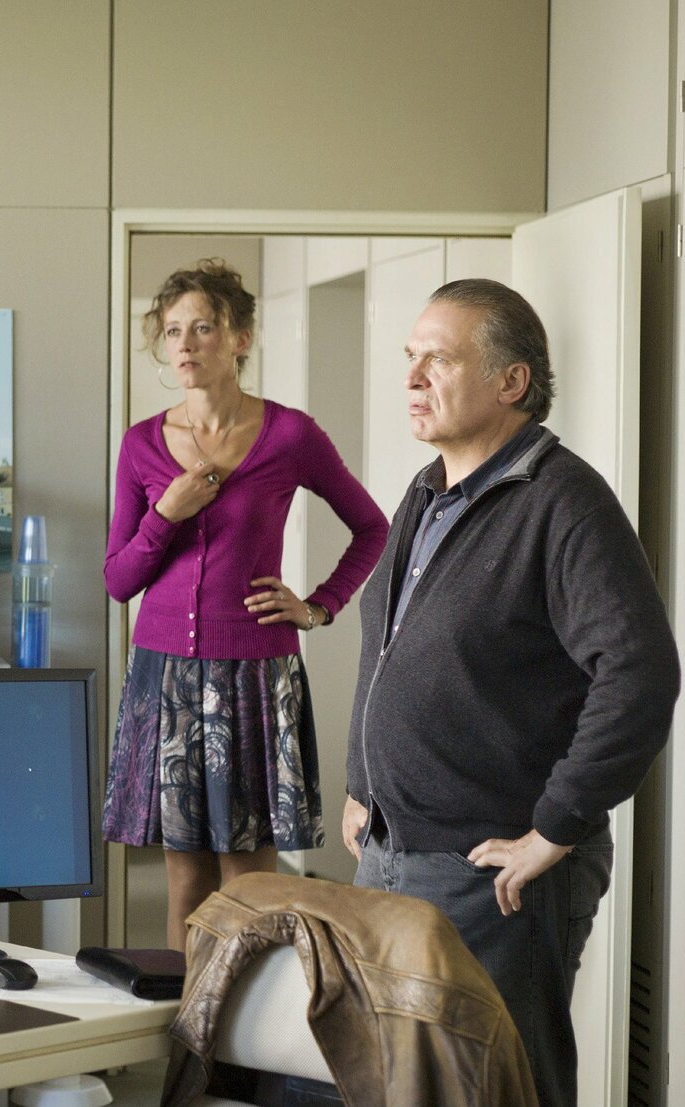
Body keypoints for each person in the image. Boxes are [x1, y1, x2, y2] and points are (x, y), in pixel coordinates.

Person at [343, 279, 677, 1107]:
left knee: (503, 1089)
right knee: (401, 1089)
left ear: (511, 381)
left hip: (490, 876)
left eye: (438, 359)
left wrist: (555, 826)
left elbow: (639, 671)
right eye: (410, 356)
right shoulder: (426, 491)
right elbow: (384, 645)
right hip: (391, 857)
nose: (412, 376)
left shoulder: (564, 501)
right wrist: (359, 779)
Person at [102, 259, 388, 952]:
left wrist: (318, 607)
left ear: (240, 338)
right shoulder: (141, 445)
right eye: (173, 330)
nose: (185, 343)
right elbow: (118, 579)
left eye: (202, 327)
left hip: (255, 675)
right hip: (165, 677)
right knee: (184, 881)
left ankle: (247, 1018)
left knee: (250, 881)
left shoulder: (290, 435)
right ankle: (186, 1020)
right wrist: (165, 514)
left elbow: (372, 528)